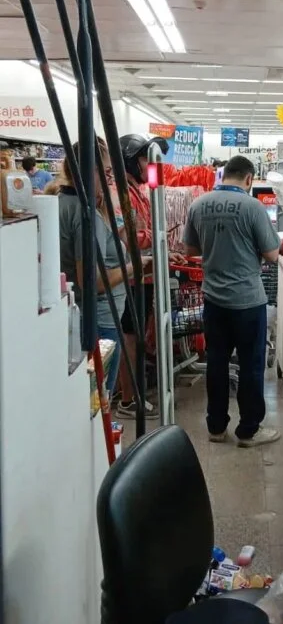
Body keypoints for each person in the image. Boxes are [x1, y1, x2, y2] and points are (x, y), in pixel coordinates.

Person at [184, 154, 281, 447]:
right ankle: (248, 430)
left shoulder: (199, 204)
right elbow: (272, 255)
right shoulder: (252, 207)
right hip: (248, 302)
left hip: (214, 299)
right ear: (249, 179)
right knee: (251, 366)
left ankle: (216, 427)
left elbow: (190, 249)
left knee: (216, 363)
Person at [58, 138, 140, 393]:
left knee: (87, 399)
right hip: (100, 320)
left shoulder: (61, 201)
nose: (110, 181)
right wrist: (135, 266)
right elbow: (93, 282)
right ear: (86, 171)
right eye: (105, 174)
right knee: (98, 400)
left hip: (77, 317)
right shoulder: (86, 215)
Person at [116, 133, 171, 417]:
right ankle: (128, 399)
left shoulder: (139, 190)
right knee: (131, 336)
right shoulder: (122, 193)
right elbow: (130, 238)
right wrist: (155, 236)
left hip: (145, 276)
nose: (149, 166)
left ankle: (135, 391)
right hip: (131, 278)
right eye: (143, 160)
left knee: (138, 335)